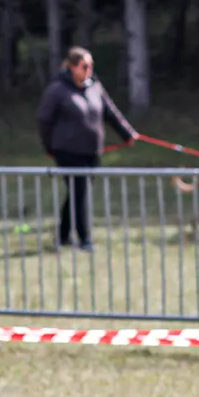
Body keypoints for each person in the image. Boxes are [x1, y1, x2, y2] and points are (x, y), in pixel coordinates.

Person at [36, 47, 138, 251]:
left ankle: (63, 235)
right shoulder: (57, 89)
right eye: (84, 66)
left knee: (77, 193)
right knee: (80, 192)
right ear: (73, 67)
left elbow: (111, 112)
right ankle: (85, 239)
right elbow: (44, 120)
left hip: (91, 150)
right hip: (67, 150)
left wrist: (128, 134)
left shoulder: (94, 87)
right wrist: (49, 147)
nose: (89, 69)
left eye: (91, 65)